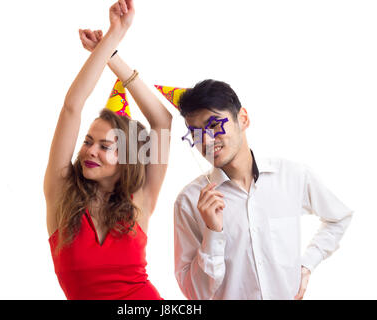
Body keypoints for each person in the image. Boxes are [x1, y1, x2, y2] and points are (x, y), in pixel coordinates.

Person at [173, 79, 353, 300]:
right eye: (196, 133)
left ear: (243, 119)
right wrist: (212, 232)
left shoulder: (291, 176)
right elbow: (195, 293)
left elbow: (339, 217)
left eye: (213, 125)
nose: (207, 141)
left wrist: (307, 265)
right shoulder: (189, 202)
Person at [44, 0, 171, 300]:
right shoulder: (60, 192)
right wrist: (114, 34)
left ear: (128, 156)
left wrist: (113, 57)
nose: (90, 151)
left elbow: (162, 121)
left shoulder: (141, 199)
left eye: (105, 146)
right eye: (88, 141)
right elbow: (72, 107)